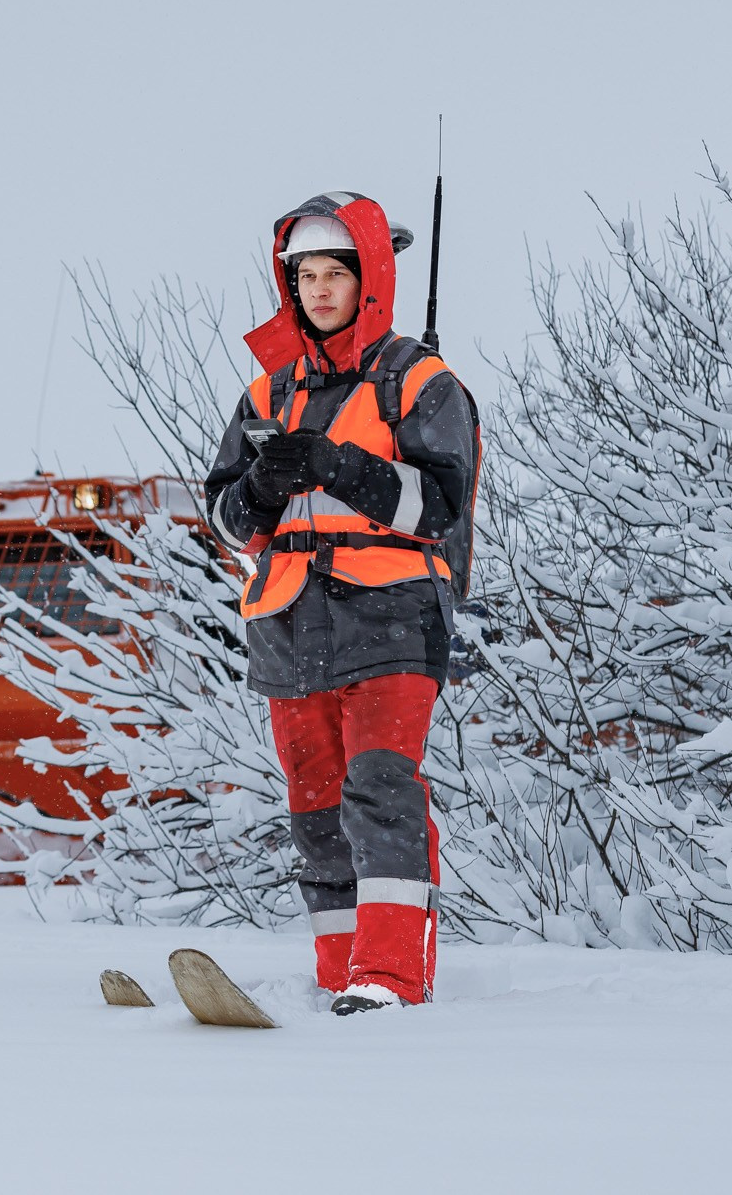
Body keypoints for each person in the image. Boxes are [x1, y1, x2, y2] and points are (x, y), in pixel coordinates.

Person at [204, 190, 478, 1014]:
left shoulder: (421, 381)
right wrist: (259, 484)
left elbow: (439, 507)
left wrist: (337, 466)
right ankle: (340, 973)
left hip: (393, 616)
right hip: (292, 625)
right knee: (316, 808)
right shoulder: (266, 393)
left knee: (381, 787)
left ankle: (391, 976)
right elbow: (222, 520)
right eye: (305, 276)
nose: (319, 291)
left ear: (372, 279)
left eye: (336, 274)